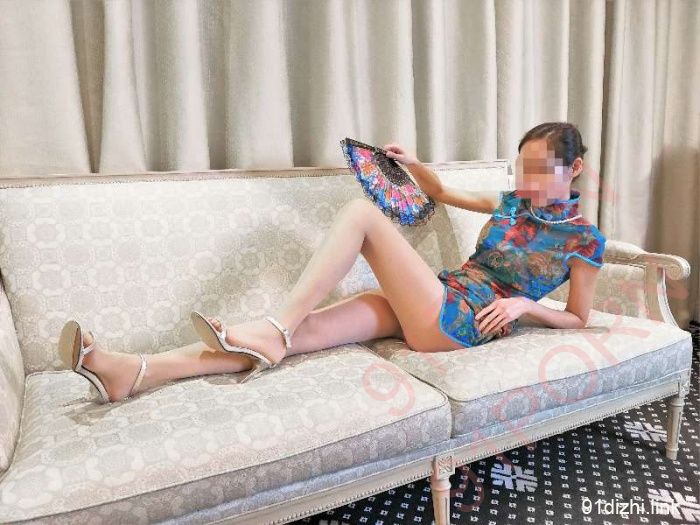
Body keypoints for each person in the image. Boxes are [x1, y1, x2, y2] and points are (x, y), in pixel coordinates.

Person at [58, 121, 606, 403]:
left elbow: (579, 317)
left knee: (362, 215)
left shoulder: (584, 240)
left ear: (575, 168)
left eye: (541, 170)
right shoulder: (510, 203)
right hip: (438, 295)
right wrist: (415, 164)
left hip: (459, 323)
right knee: (302, 334)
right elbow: (442, 192)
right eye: (523, 168)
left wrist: (523, 308)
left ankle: (277, 326)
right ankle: (135, 372)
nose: (528, 180)